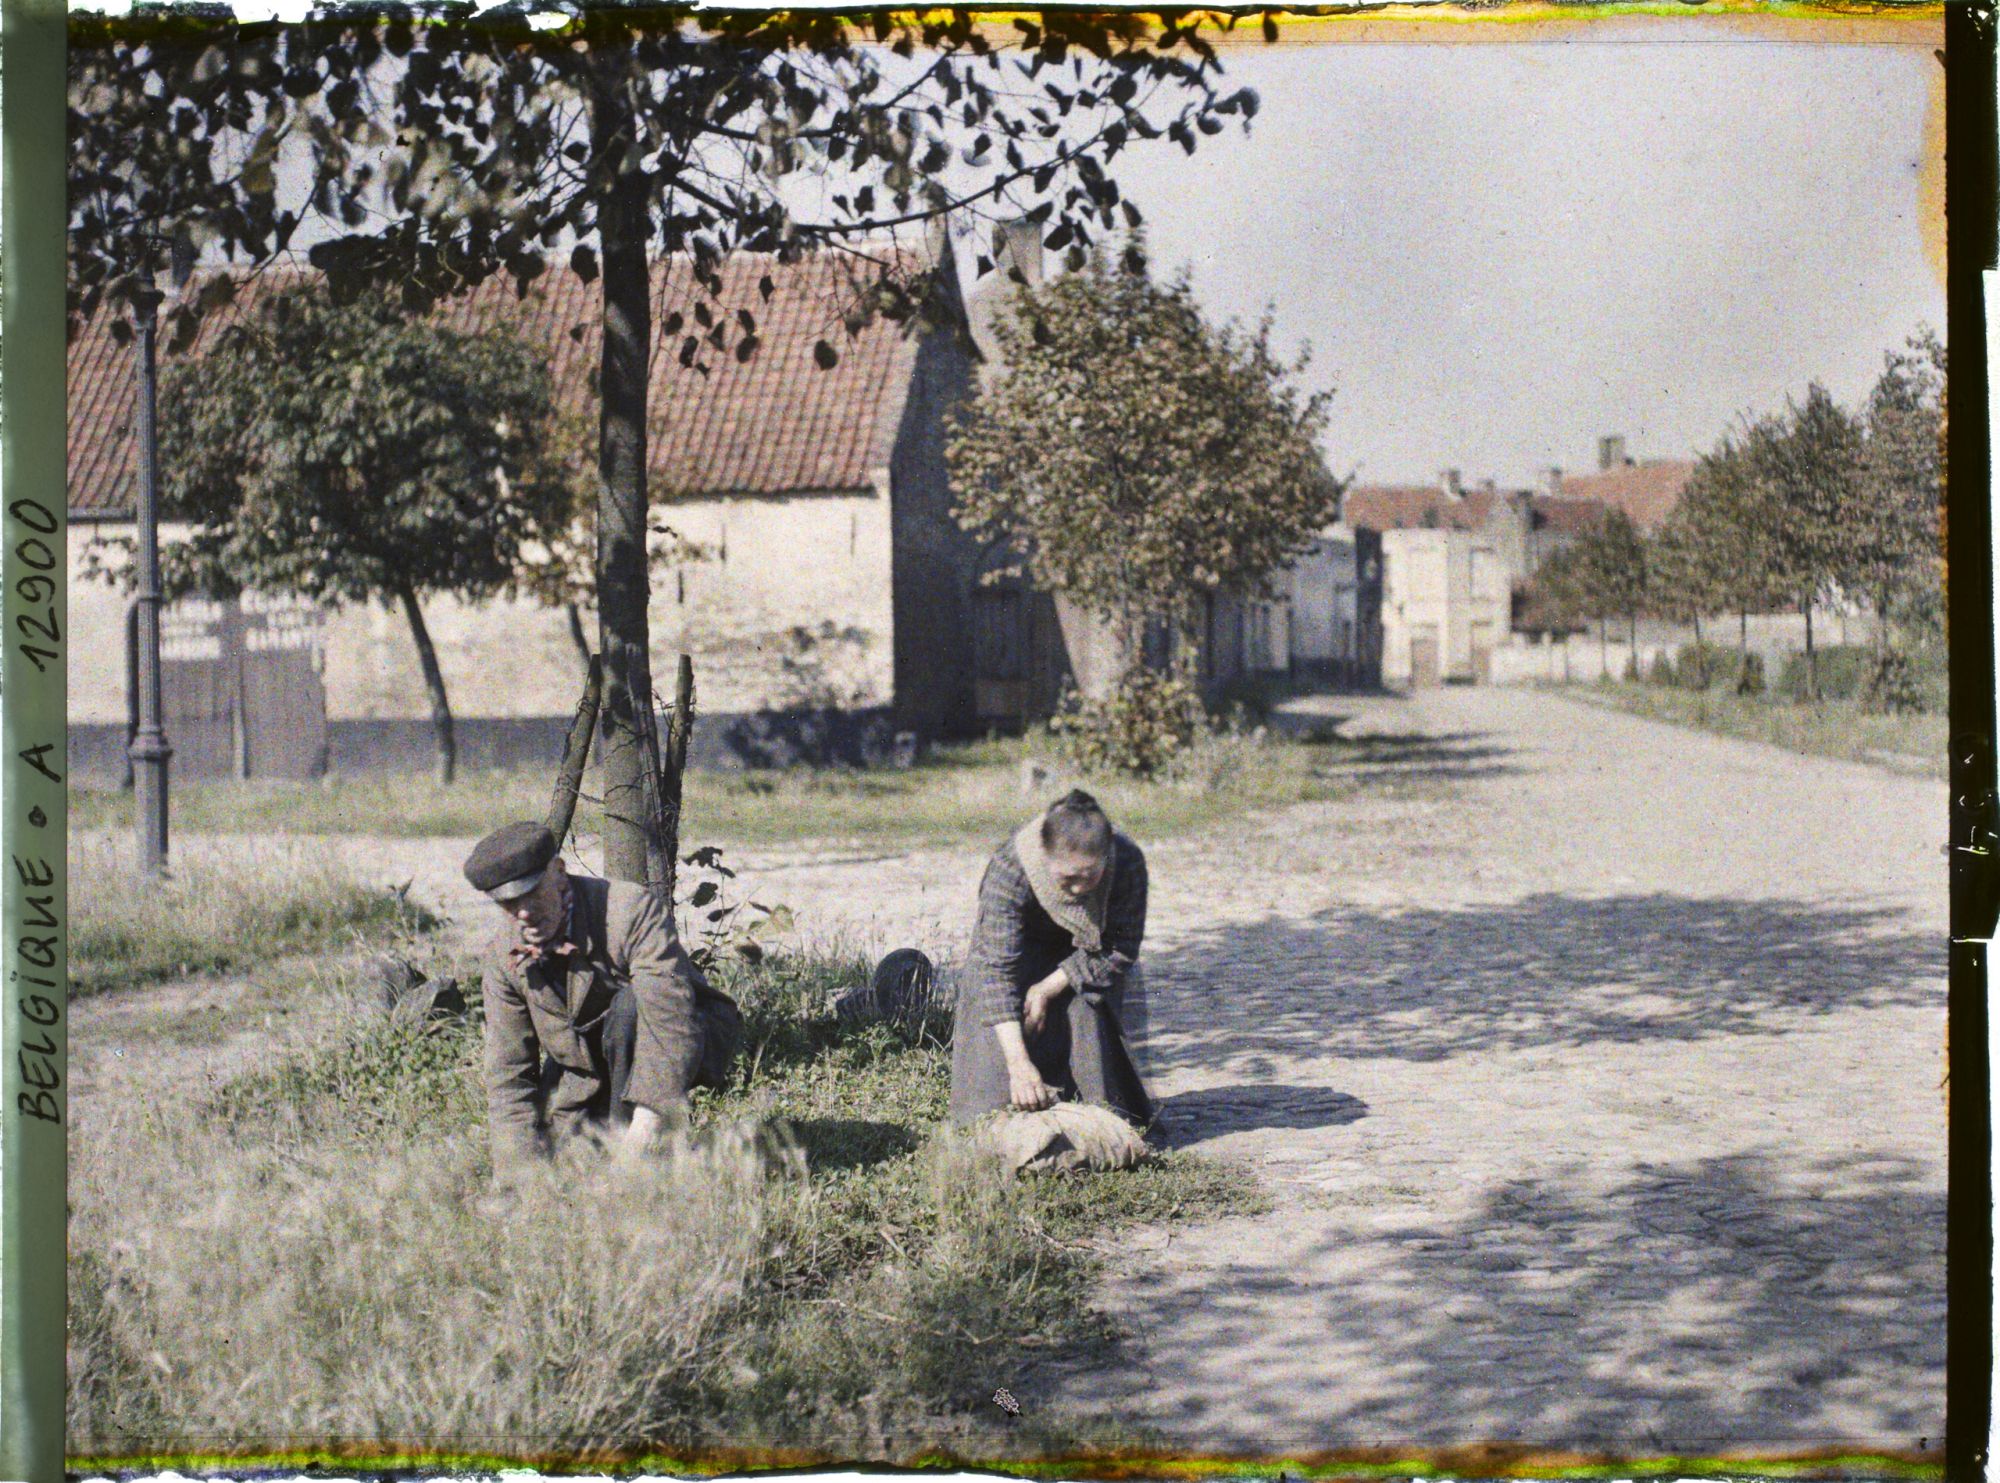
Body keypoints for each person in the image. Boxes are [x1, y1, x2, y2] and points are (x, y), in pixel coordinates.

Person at [463, 821, 740, 1173]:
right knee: (567, 1166)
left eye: (532, 893)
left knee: (630, 1007)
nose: (524, 913)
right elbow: (510, 1072)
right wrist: (518, 1180)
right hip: (587, 1065)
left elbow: (669, 1020)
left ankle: (646, 1136)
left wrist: (641, 1140)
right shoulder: (503, 956)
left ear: (559, 871)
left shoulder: (630, 910)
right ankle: (604, 1126)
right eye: (508, 902)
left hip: (680, 1034)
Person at [949, 789, 1153, 1128]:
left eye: (1090, 876)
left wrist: (1048, 987)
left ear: (1107, 855)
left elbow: (1122, 948)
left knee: (1102, 1111)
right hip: (1018, 951)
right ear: (1045, 857)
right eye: (1068, 878)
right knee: (989, 1113)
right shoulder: (1011, 867)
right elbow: (997, 970)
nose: (1079, 890)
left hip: (1085, 955)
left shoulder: (1128, 861)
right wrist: (1017, 1064)